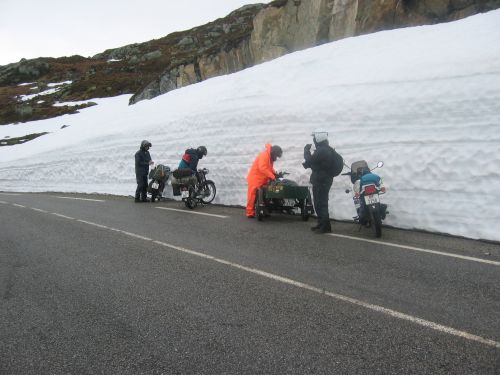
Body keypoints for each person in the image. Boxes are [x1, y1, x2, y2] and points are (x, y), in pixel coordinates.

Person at [303, 130, 337, 233]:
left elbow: (310, 160)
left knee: (321, 203)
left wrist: (306, 151)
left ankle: (325, 227)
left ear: (318, 139)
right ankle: (321, 224)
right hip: (322, 180)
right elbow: (315, 163)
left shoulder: (322, 150)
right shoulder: (325, 149)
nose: (313, 140)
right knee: (318, 203)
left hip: (321, 181)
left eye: (314, 138)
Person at [246, 144, 282, 218]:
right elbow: (262, 168)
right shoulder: (264, 155)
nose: (276, 158)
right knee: (252, 196)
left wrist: (276, 174)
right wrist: (272, 176)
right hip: (255, 178)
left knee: (265, 195)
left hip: (262, 179)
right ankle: (250, 212)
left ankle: (264, 211)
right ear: (273, 152)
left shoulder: (270, 158)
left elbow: (270, 169)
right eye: (276, 156)